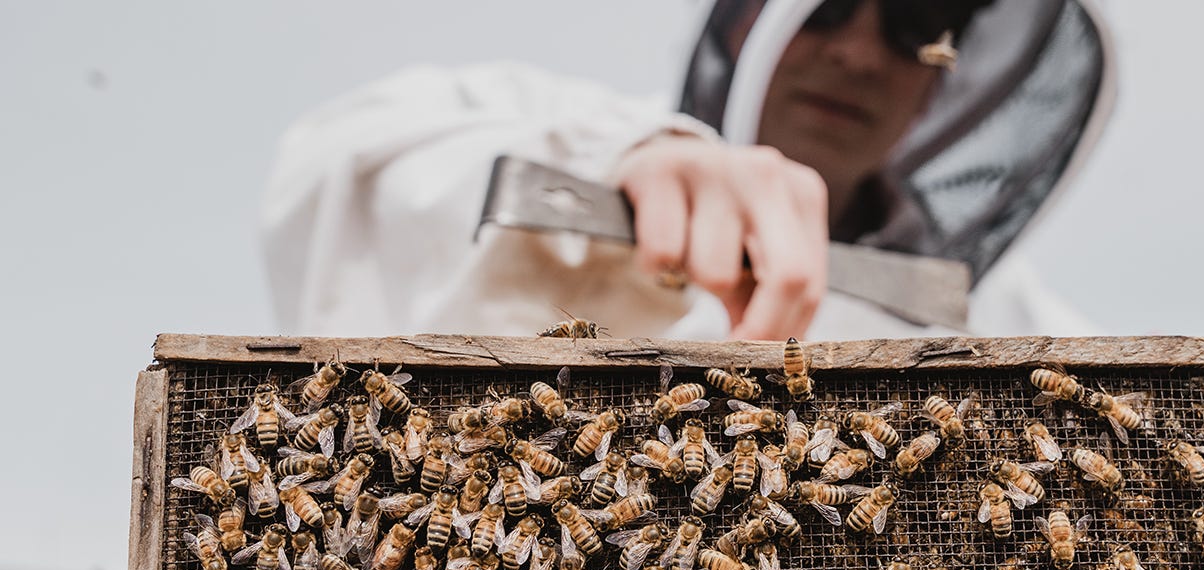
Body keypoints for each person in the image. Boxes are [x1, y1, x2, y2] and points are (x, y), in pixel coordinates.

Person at [261, 0, 1113, 340]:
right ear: (749, 22)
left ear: (941, 82)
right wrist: (620, 167)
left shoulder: (1006, 317)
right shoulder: (556, 120)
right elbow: (340, 160)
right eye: (832, 9)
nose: (857, 54)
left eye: (912, 24)